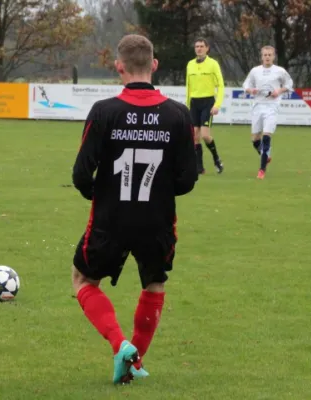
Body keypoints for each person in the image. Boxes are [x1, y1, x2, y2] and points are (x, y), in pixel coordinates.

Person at [71, 34, 198, 384]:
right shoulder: (178, 115)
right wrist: (160, 191)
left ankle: (120, 345)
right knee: (154, 283)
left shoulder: (104, 112)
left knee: (83, 280)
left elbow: (81, 174)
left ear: (118, 67)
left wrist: (100, 193)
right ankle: (135, 362)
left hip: (111, 217)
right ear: (154, 65)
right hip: (157, 219)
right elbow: (188, 179)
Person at [242, 45, 294, 179]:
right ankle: (266, 155)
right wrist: (251, 90)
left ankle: (262, 169)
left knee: (266, 136)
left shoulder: (280, 71)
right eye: (265, 55)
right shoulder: (255, 71)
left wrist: (279, 91)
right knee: (255, 140)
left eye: (269, 55)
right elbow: (246, 85)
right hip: (258, 105)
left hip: (272, 106)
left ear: (273, 56)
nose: (267, 57)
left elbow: (289, 84)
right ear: (261, 56)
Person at [186, 38, 224, 174]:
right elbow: (188, 86)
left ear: (207, 48)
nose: (199, 49)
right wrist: (187, 104)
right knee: (195, 136)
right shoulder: (190, 64)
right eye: (197, 46)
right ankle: (199, 167)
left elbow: (220, 85)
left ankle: (216, 158)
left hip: (208, 102)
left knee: (205, 135)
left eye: (202, 46)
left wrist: (217, 104)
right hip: (194, 102)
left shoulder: (213, 64)